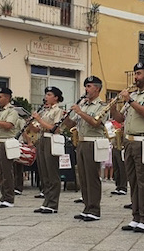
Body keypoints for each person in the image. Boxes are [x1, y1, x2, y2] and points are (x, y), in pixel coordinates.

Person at [111, 61, 144, 233]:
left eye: (139, 74)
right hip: (129, 141)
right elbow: (120, 118)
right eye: (135, 74)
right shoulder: (135, 95)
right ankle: (136, 216)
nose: (136, 77)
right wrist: (112, 108)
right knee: (132, 181)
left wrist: (130, 99)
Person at [66, 76, 108, 221]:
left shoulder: (102, 105)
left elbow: (95, 123)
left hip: (93, 142)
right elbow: (73, 124)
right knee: (83, 177)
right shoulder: (84, 105)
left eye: (89, 86)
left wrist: (79, 111)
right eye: (86, 86)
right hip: (82, 142)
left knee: (92, 177)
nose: (86, 89)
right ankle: (86, 207)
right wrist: (66, 118)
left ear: (97, 88)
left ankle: (95, 209)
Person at [30, 86, 65, 214]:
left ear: (56, 97)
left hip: (51, 139)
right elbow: (37, 129)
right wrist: (30, 122)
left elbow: (54, 128)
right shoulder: (45, 111)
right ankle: (46, 201)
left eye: (49, 94)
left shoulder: (58, 111)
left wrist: (39, 119)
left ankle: (53, 203)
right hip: (42, 139)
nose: (46, 97)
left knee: (52, 172)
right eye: (46, 94)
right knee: (43, 172)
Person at [0, 88, 20, 208]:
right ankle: (3, 196)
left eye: (0, 97)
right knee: (0, 171)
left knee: (7, 171)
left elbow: (8, 125)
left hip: (7, 142)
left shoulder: (12, 111)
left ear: (7, 98)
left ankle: (9, 198)